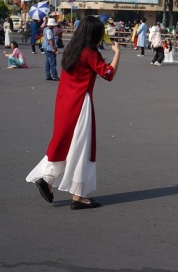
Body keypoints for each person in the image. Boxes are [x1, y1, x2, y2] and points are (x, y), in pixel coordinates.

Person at [26, 16, 121, 210]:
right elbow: (108, 74)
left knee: (64, 142)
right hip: (80, 103)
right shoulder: (90, 52)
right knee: (81, 148)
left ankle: (48, 179)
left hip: (65, 101)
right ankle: (79, 195)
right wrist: (117, 53)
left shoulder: (73, 49)